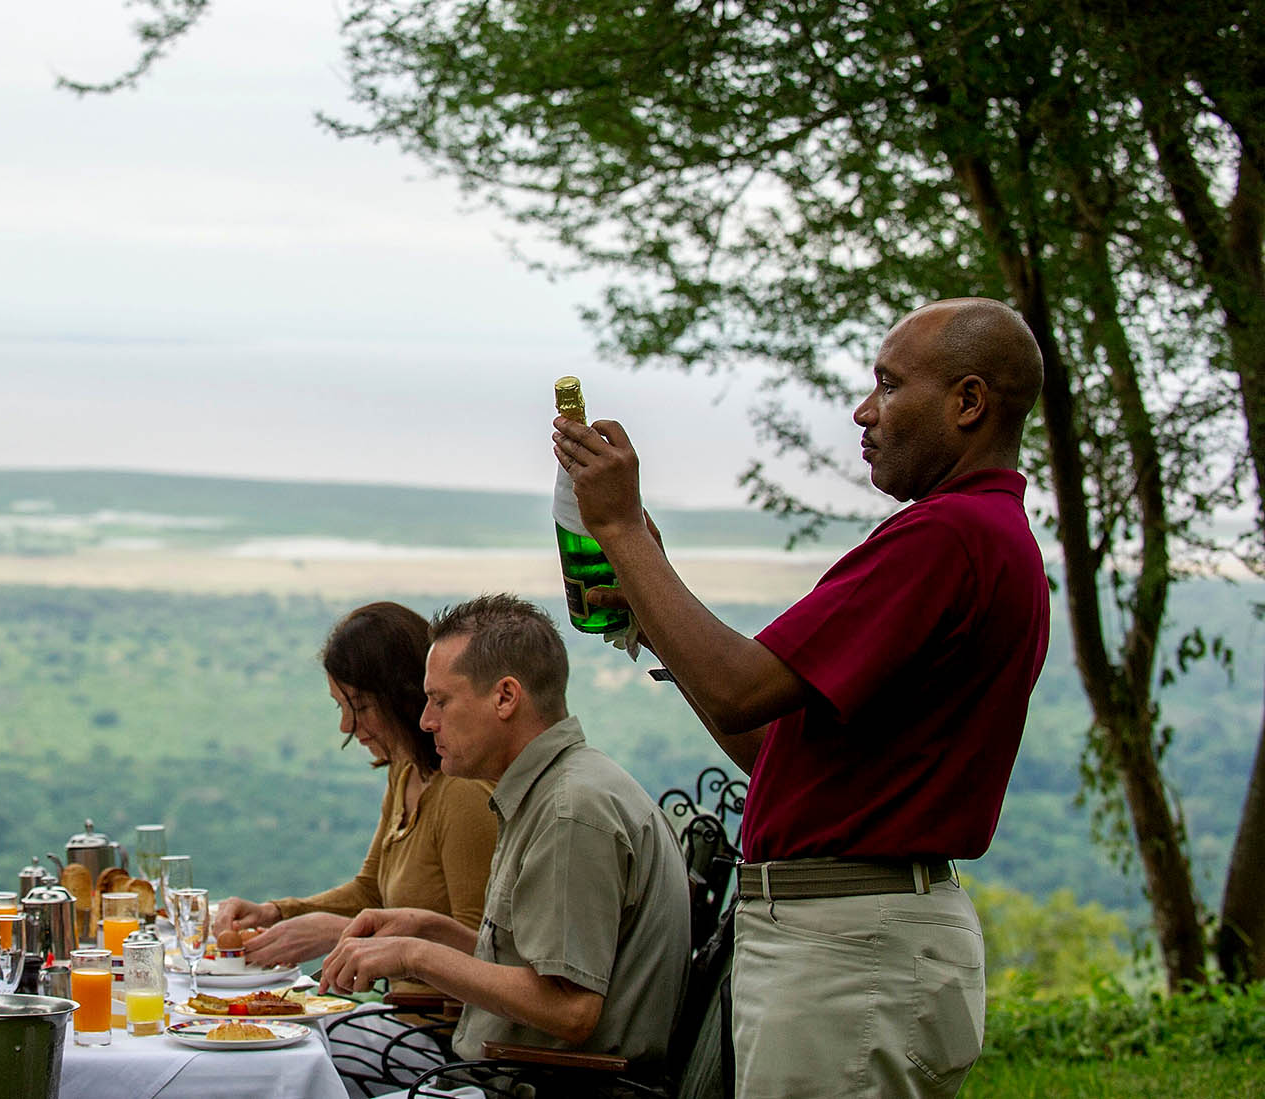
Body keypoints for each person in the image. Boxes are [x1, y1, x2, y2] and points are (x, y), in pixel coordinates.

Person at [552, 296, 1050, 1099]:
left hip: (852, 951)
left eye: (889, 385)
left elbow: (741, 685)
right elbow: (772, 744)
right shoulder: (985, 538)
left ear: (968, 402)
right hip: (861, 941)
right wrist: (652, 611)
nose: (865, 409)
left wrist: (622, 529)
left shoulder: (945, 537)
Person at [317, 594, 691, 1069]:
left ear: (505, 697)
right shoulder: (549, 790)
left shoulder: (569, 812)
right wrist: (431, 930)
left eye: (440, 701)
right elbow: (535, 969)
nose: (426, 720)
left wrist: (415, 956)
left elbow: (570, 1009)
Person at [214, 602, 497, 970]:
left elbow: (481, 958)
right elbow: (371, 891)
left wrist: (344, 934)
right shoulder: (405, 771)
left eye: (361, 707)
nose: (347, 725)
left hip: (434, 1025)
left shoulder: (462, 794)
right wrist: (274, 914)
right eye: (341, 708)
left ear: (405, 696)